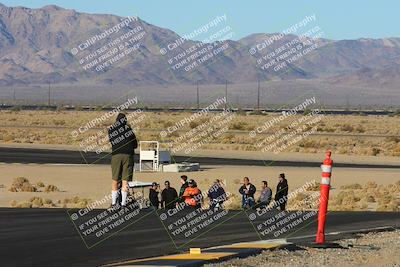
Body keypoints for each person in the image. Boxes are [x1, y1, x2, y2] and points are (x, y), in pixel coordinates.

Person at [109, 113, 138, 208]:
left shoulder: (111, 130)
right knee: (126, 181)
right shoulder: (128, 129)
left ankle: (113, 204)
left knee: (115, 180)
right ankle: (123, 204)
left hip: (116, 154)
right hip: (128, 155)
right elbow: (135, 144)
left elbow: (112, 141)